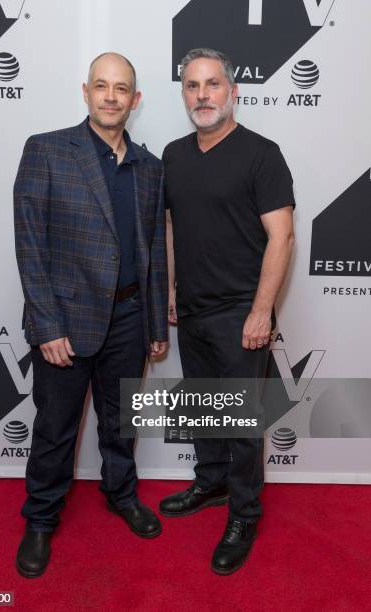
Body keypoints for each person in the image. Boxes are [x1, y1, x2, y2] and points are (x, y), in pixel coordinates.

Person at [13, 52, 168, 578]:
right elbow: (30, 247)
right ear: (86, 92)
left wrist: (153, 323)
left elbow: (153, 251)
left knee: (121, 422)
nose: (110, 96)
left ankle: (121, 494)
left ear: (135, 100)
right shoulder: (48, 150)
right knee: (55, 428)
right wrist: (48, 326)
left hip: (129, 317)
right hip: (66, 321)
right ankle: (39, 519)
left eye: (121, 88)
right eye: (101, 86)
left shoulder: (150, 167)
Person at [160, 48, 295, 575]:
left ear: (233, 91)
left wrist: (262, 312)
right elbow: (173, 227)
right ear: (184, 95)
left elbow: (281, 237)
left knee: (241, 423)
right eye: (193, 86)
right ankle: (211, 482)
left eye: (212, 84)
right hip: (192, 308)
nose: (203, 95)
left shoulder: (262, 153)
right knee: (203, 408)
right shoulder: (173, 154)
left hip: (242, 312)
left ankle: (244, 513)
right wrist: (172, 286)